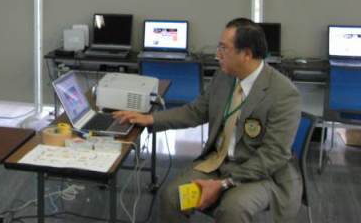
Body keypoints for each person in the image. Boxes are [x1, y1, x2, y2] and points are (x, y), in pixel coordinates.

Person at [114, 18, 302, 222]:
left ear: (246, 54)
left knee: (233, 209)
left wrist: (223, 184)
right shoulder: (224, 77)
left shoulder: (283, 93)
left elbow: (272, 156)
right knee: (171, 197)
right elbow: (195, 111)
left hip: (260, 174)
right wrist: (150, 118)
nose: (217, 55)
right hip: (218, 163)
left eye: (224, 48)